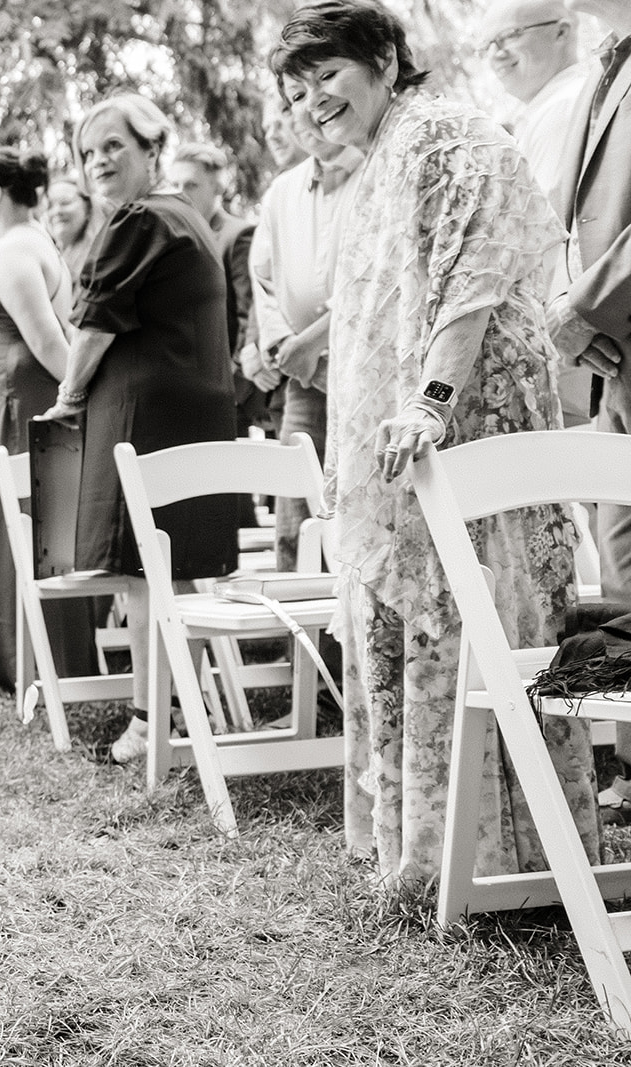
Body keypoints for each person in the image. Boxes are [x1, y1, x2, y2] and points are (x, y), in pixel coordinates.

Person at [273, 0, 598, 882]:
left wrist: (432, 399)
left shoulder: (449, 132)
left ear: (382, 56)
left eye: (327, 74)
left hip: (467, 430)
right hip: (398, 448)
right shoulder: (377, 158)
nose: (313, 100)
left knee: (470, 620)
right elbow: (381, 300)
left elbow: (477, 271)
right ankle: (421, 853)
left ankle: (495, 861)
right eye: (299, 90)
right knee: (408, 624)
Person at [39, 93, 239, 765]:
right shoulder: (187, 215)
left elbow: (94, 323)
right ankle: (182, 706)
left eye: (113, 146)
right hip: (195, 412)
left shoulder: (138, 217)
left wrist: (68, 395)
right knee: (172, 572)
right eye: (88, 152)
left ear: (153, 149)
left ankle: (150, 722)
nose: (98, 162)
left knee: (139, 571)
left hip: (143, 416)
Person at [0, 148, 100, 691]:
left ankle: (33, 663)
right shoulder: (36, 240)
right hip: (23, 388)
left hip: (22, 393)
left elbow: (46, 336)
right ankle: (57, 659)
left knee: (28, 513)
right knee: (47, 514)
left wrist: (75, 393)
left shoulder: (13, 248)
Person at [551, 0, 631, 820]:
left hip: (612, 326)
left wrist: (588, 307)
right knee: (621, 566)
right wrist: (563, 306)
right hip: (613, 367)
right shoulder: (602, 68)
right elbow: (569, 225)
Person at [245, 103, 363, 570]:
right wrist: (288, 350)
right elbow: (264, 280)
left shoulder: (376, 172)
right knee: (296, 519)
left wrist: (317, 344)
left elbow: (374, 276)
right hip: (304, 382)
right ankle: (298, 642)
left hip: (362, 370)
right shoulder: (281, 191)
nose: (307, 116)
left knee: (358, 517)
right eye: (294, 104)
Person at [481, 0, 594, 426]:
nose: (496, 53)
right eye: (486, 45)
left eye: (509, 36)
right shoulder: (547, 106)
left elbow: (537, 233)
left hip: (565, 333)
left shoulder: (564, 106)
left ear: (562, 31)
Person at [170, 142, 265, 460]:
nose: (182, 193)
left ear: (218, 187)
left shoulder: (238, 235)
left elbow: (248, 313)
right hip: (183, 390)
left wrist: (235, 390)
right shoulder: (176, 237)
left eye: (191, 185)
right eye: (176, 185)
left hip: (224, 394)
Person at [44, 175, 101, 293]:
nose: (57, 211)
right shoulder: (47, 260)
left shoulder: (100, 260)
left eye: (65, 203)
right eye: (49, 206)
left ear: (88, 209)